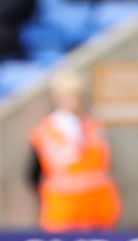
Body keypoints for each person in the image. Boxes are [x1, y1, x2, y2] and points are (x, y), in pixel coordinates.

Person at [27, 71, 121, 232]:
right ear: (58, 97)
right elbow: (33, 174)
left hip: (98, 210)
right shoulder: (46, 131)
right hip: (63, 211)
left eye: (78, 94)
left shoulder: (93, 126)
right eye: (70, 94)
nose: (75, 99)